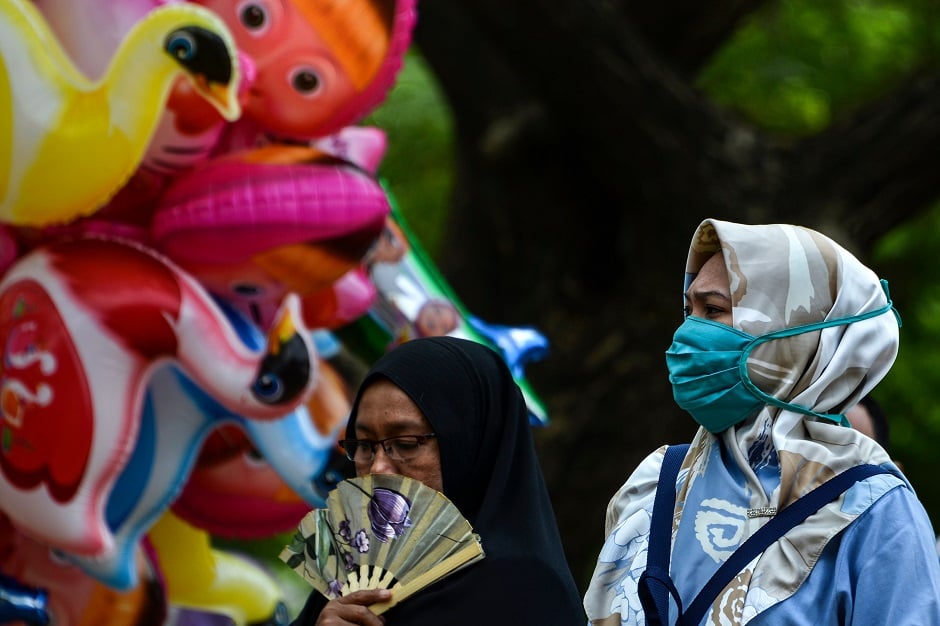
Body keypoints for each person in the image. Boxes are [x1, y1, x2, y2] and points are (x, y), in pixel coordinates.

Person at [584, 219, 940, 625]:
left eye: (714, 310)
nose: (688, 333)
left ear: (793, 329)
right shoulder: (654, 483)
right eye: (689, 310)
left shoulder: (872, 510)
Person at [290, 336, 585, 625]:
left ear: (471, 447)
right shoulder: (350, 575)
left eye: (406, 443)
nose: (378, 468)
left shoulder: (525, 592)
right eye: (365, 446)